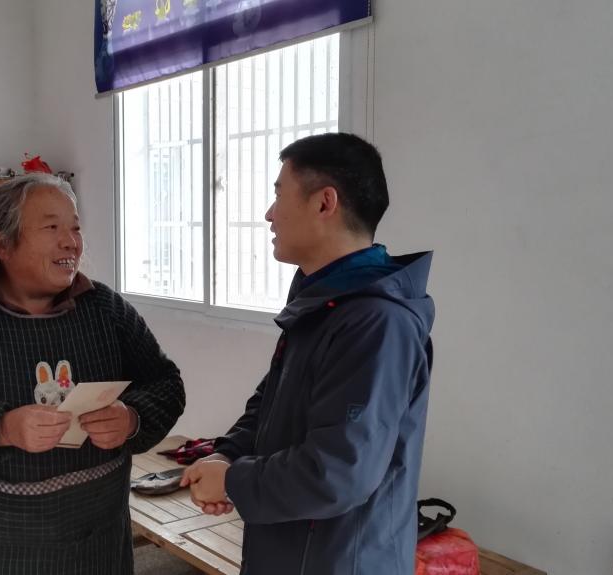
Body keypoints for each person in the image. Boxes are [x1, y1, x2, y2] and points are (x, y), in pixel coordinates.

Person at [0, 172, 185, 574]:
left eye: (75, 228)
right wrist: (0, 428)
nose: (71, 241)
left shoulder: (106, 310)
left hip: (96, 546)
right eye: (51, 227)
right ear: (1, 244)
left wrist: (133, 418)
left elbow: (166, 383)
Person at [180, 133, 435, 575]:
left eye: (279, 195)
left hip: (340, 561)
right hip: (292, 548)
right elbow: (272, 402)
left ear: (324, 203)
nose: (269, 214)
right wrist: (227, 454)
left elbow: (339, 471)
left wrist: (235, 481)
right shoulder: (325, 301)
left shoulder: (376, 322)